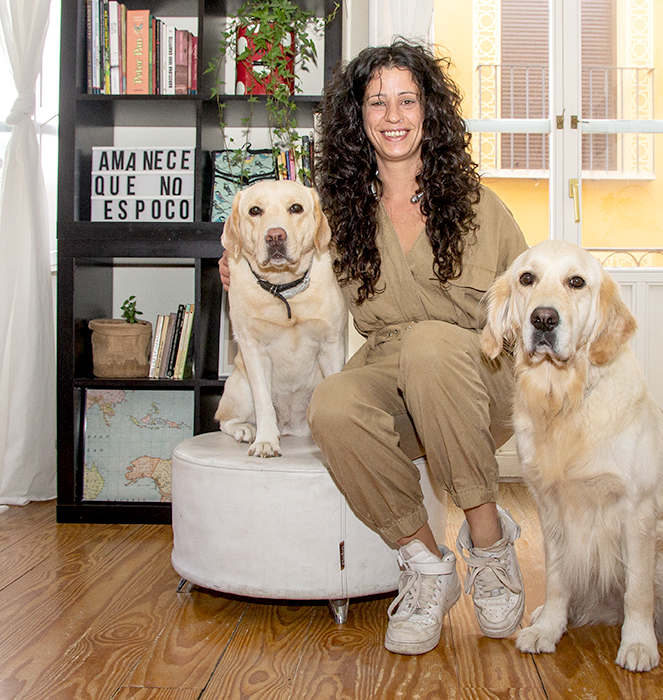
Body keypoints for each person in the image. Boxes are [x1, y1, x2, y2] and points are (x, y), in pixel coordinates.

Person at [220, 39, 528, 655]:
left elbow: (525, 296)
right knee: (331, 404)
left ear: (429, 112)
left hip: (474, 378)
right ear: (358, 118)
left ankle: (490, 544)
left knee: (432, 347)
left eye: (407, 100)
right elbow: (273, 245)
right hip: (392, 370)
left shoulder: (478, 206)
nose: (393, 115)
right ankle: (425, 564)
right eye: (377, 102)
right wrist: (236, 264)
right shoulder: (339, 213)